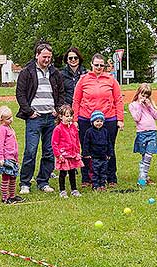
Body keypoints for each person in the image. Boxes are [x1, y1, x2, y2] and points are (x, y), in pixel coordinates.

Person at [16, 42, 65, 194]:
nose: (47, 60)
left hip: (51, 117)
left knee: (49, 151)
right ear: (37, 55)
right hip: (34, 118)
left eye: (49, 57)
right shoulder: (27, 72)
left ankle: (43, 181)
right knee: (31, 150)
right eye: (44, 57)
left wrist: (57, 110)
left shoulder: (55, 73)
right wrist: (29, 112)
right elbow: (20, 94)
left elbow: (61, 93)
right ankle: (25, 183)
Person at [73, 53, 124, 188]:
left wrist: (120, 119)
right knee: (87, 148)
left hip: (108, 119)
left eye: (102, 65)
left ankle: (110, 177)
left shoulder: (111, 79)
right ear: (91, 64)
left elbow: (118, 99)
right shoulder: (83, 79)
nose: (99, 67)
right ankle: (87, 178)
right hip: (85, 119)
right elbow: (76, 100)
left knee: (108, 147)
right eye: (96, 65)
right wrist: (75, 119)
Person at [0, 106, 24, 204]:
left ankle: (12, 196)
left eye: (11, 117)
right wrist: (1, 157)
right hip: (6, 158)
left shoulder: (10, 128)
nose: (11, 120)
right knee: (6, 178)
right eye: (8, 118)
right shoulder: (2, 129)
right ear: (1, 119)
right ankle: (5, 198)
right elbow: (0, 144)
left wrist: (16, 158)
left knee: (13, 177)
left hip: (13, 157)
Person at [128, 83, 157, 186]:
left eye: (147, 96)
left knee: (149, 155)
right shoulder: (133, 105)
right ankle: (144, 177)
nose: (144, 97)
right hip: (142, 133)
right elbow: (137, 118)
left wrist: (149, 105)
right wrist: (140, 105)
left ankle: (142, 177)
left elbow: (156, 116)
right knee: (144, 156)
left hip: (152, 132)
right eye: (143, 95)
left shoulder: (150, 104)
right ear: (138, 93)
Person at [51, 105, 83, 198]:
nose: (69, 118)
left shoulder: (74, 127)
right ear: (61, 117)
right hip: (63, 155)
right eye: (67, 116)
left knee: (72, 172)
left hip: (72, 154)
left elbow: (77, 140)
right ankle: (62, 190)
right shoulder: (58, 129)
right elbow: (54, 143)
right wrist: (58, 154)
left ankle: (74, 189)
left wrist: (77, 151)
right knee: (63, 173)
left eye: (71, 116)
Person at [82, 111, 113, 191]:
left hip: (103, 156)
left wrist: (109, 153)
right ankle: (95, 185)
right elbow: (86, 143)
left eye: (101, 121)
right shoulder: (89, 132)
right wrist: (86, 153)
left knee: (103, 171)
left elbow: (109, 143)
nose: (99, 123)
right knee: (94, 171)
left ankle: (102, 184)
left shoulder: (105, 131)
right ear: (92, 122)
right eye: (97, 121)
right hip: (94, 156)